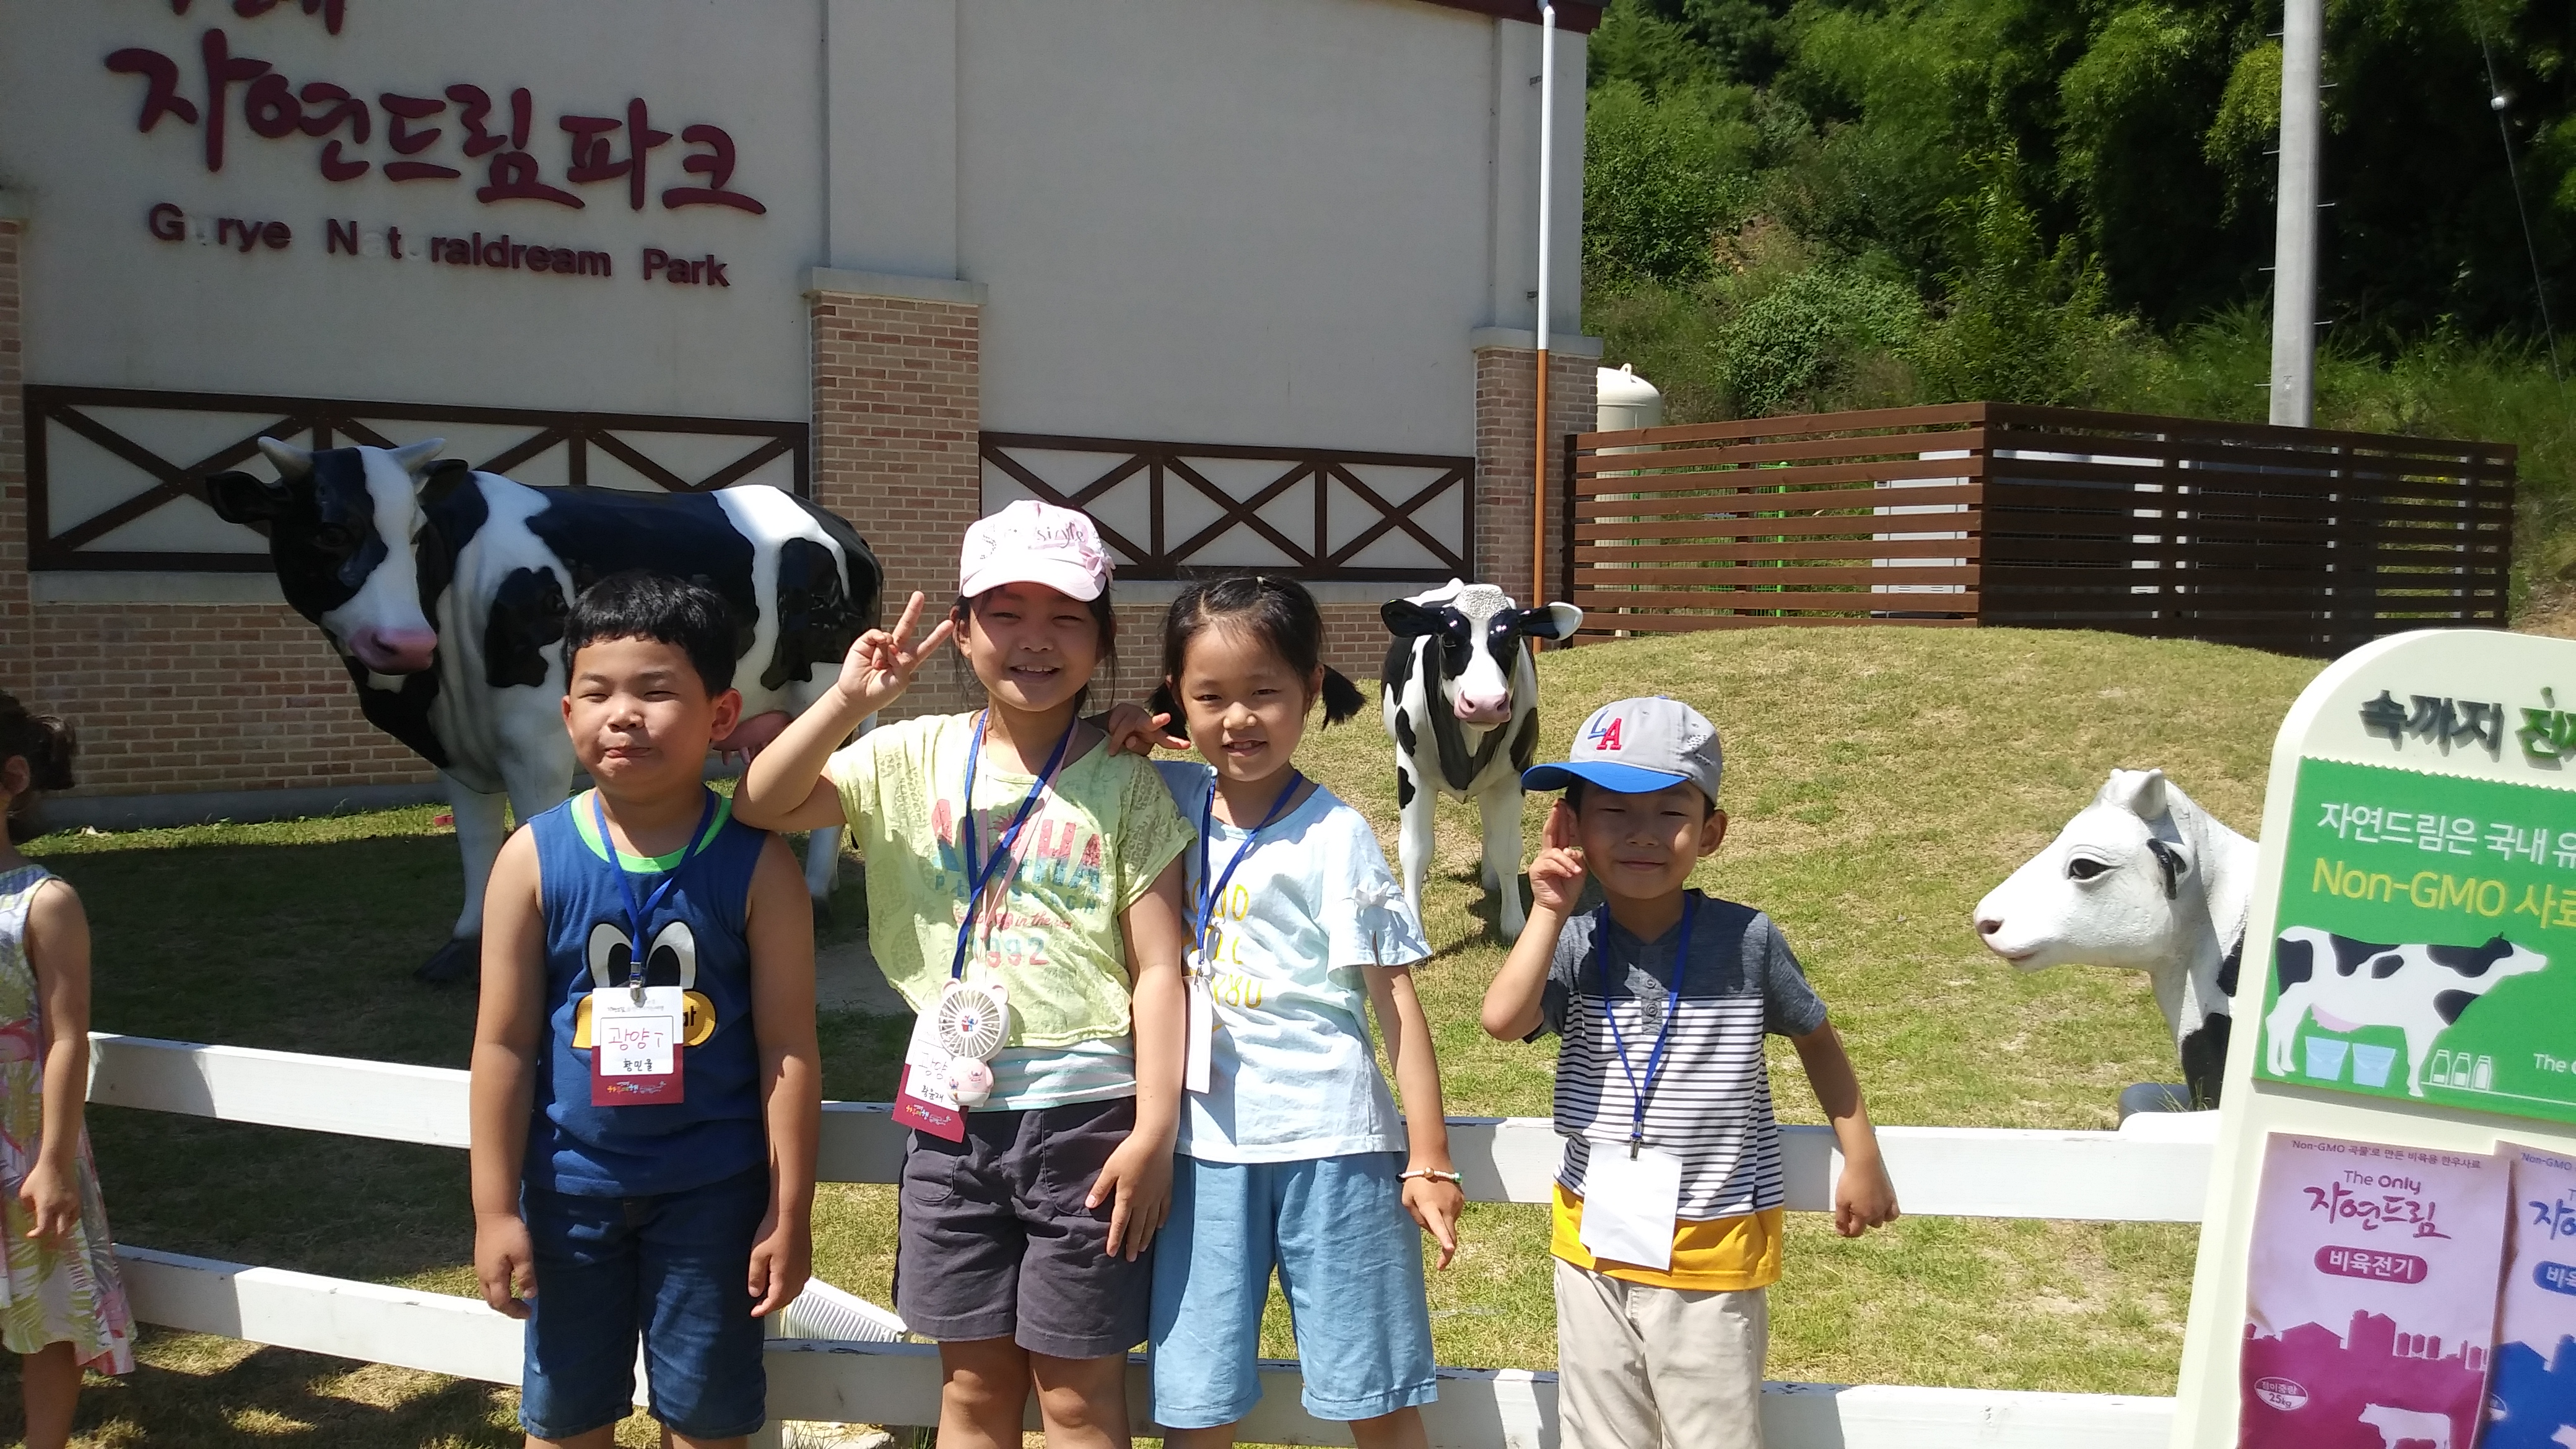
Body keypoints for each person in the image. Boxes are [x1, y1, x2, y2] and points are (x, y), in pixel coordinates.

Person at [734, 499, 1193, 1449]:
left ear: (1104, 638)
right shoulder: (912, 755)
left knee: (1077, 1395)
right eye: (1006, 613)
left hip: (1089, 1126)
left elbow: (1159, 970)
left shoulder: (1124, 780)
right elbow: (762, 801)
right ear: (962, 627)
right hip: (948, 1129)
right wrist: (850, 703)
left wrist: (1154, 1131)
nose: (1036, 639)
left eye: (1066, 616)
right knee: (973, 1390)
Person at [1479, 695, 1900, 1449]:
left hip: (1715, 1244)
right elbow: (1502, 1020)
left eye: (1669, 812)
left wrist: (1860, 1154)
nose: (1642, 833)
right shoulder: (1572, 942)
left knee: (1712, 1436)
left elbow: (1816, 1040)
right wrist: (1547, 909)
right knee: (1599, 1435)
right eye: (1612, 812)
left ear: (1709, 833)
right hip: (1591, 1242)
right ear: (1570, 827)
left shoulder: (1748, 940)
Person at [469, 572, 822, 1449]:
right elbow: (503, 1046)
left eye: (655, 691)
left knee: (707, 1424)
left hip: (714, 1200)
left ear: (720, 713)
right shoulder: (532, 859)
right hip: (568, 1198)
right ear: (567, 715)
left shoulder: (758, 865)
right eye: (597, 693)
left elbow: (787, 1049)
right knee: (565, 1423)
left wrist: (789, 1211)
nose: (622, 715)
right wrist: (494, 1210)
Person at [1124, 575, 1463, 1448]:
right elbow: (1061, 746)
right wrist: (1120, 726)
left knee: (1373, 1390)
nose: (1239, 718)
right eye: (1209, 697)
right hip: (1199, 1152)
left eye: (1264, 692)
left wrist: (1429, 1158)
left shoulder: (1334, 833)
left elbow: (1395, 1001)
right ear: (1176, 698)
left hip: (1333, 1144)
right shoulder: (1158, 796)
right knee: (1194, 1398)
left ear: (1312, 688)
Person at [0, 697, 136, 1449]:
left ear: (14, 779)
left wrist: (52, 1163)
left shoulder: (42, 904)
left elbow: (65, 1039)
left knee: (47, 1308)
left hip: (24, 1147)